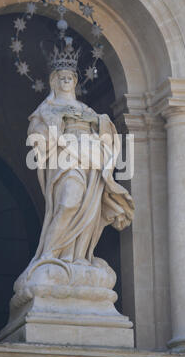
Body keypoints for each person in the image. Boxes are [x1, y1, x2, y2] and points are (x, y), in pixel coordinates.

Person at [27, 68, 134, 266]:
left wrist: (97, 120)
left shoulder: (85, 109)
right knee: (68, 202)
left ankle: (77, 256)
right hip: (64, 160)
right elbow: (36, 137)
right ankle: (49, 254)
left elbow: (107, 131)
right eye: (62, 78)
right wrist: (56, 122)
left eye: (70, 78)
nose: (66, 81)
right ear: (54, 82)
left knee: (89, 206)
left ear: (75, 83)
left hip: (91, 159)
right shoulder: (46, 109)